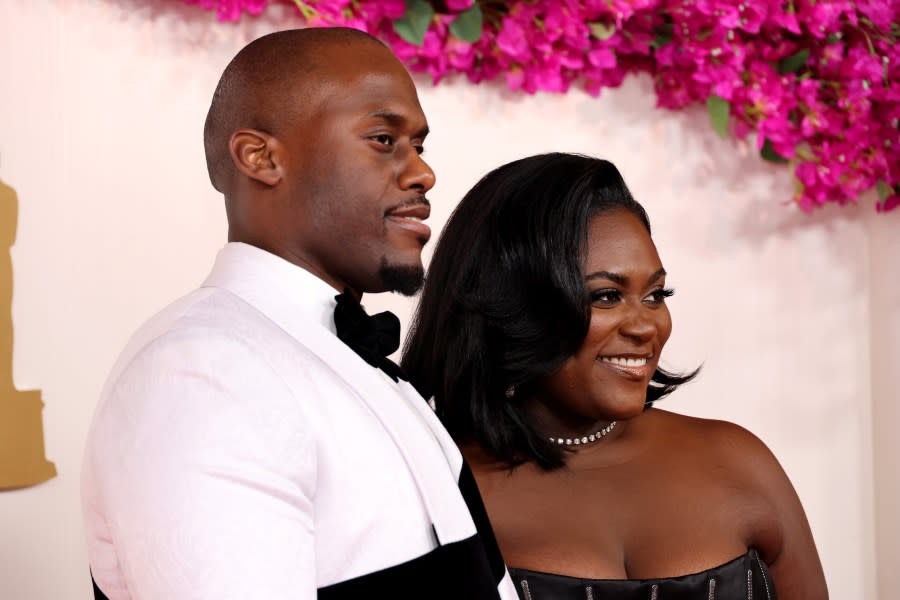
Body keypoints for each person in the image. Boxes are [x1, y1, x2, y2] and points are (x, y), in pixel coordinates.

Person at [82, 28, 517, 599]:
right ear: (261, 157)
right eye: (384, 139)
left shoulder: (347, 357)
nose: (422, 174)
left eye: (419, 146)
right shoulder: (203, 377)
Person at [403, 153, 828, 599]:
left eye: (654, 294)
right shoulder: (437, 488)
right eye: (607, 296)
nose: (646, 327)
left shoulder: (741, 461)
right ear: (513, 308)